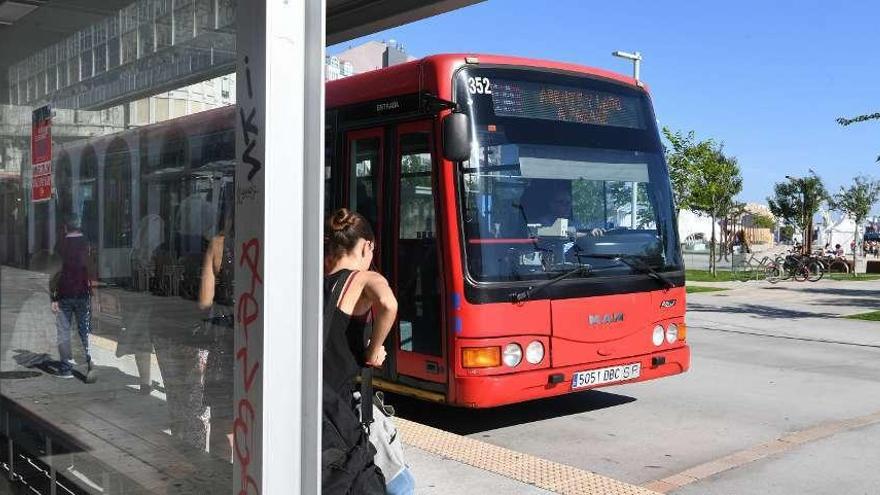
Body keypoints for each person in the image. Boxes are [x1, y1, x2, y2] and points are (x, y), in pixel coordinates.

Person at [322, 208, 412, 495]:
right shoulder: (362, 278)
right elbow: (389, 303)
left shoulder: (314, 281)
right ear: (367, 245)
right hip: (340, 412)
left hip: (316, 404)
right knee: (401, 485)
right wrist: (374, 350)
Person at [198, 199, 235, 462]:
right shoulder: (272, 241)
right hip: (258, 341)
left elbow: (204, 302)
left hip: (224, 341)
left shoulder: (217, 245)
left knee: (223, 418)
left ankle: (221, 478)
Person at [50, 215, 97, 382]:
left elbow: (55, 273)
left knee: (63, 331)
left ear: (65, 227)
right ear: (79, 227)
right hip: (83, 293)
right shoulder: (86, 244)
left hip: (64, 294)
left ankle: (66, 368)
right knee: (83, 330)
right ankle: (87, 363)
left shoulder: (60, 245)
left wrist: (53, 297)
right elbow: (90, 268)